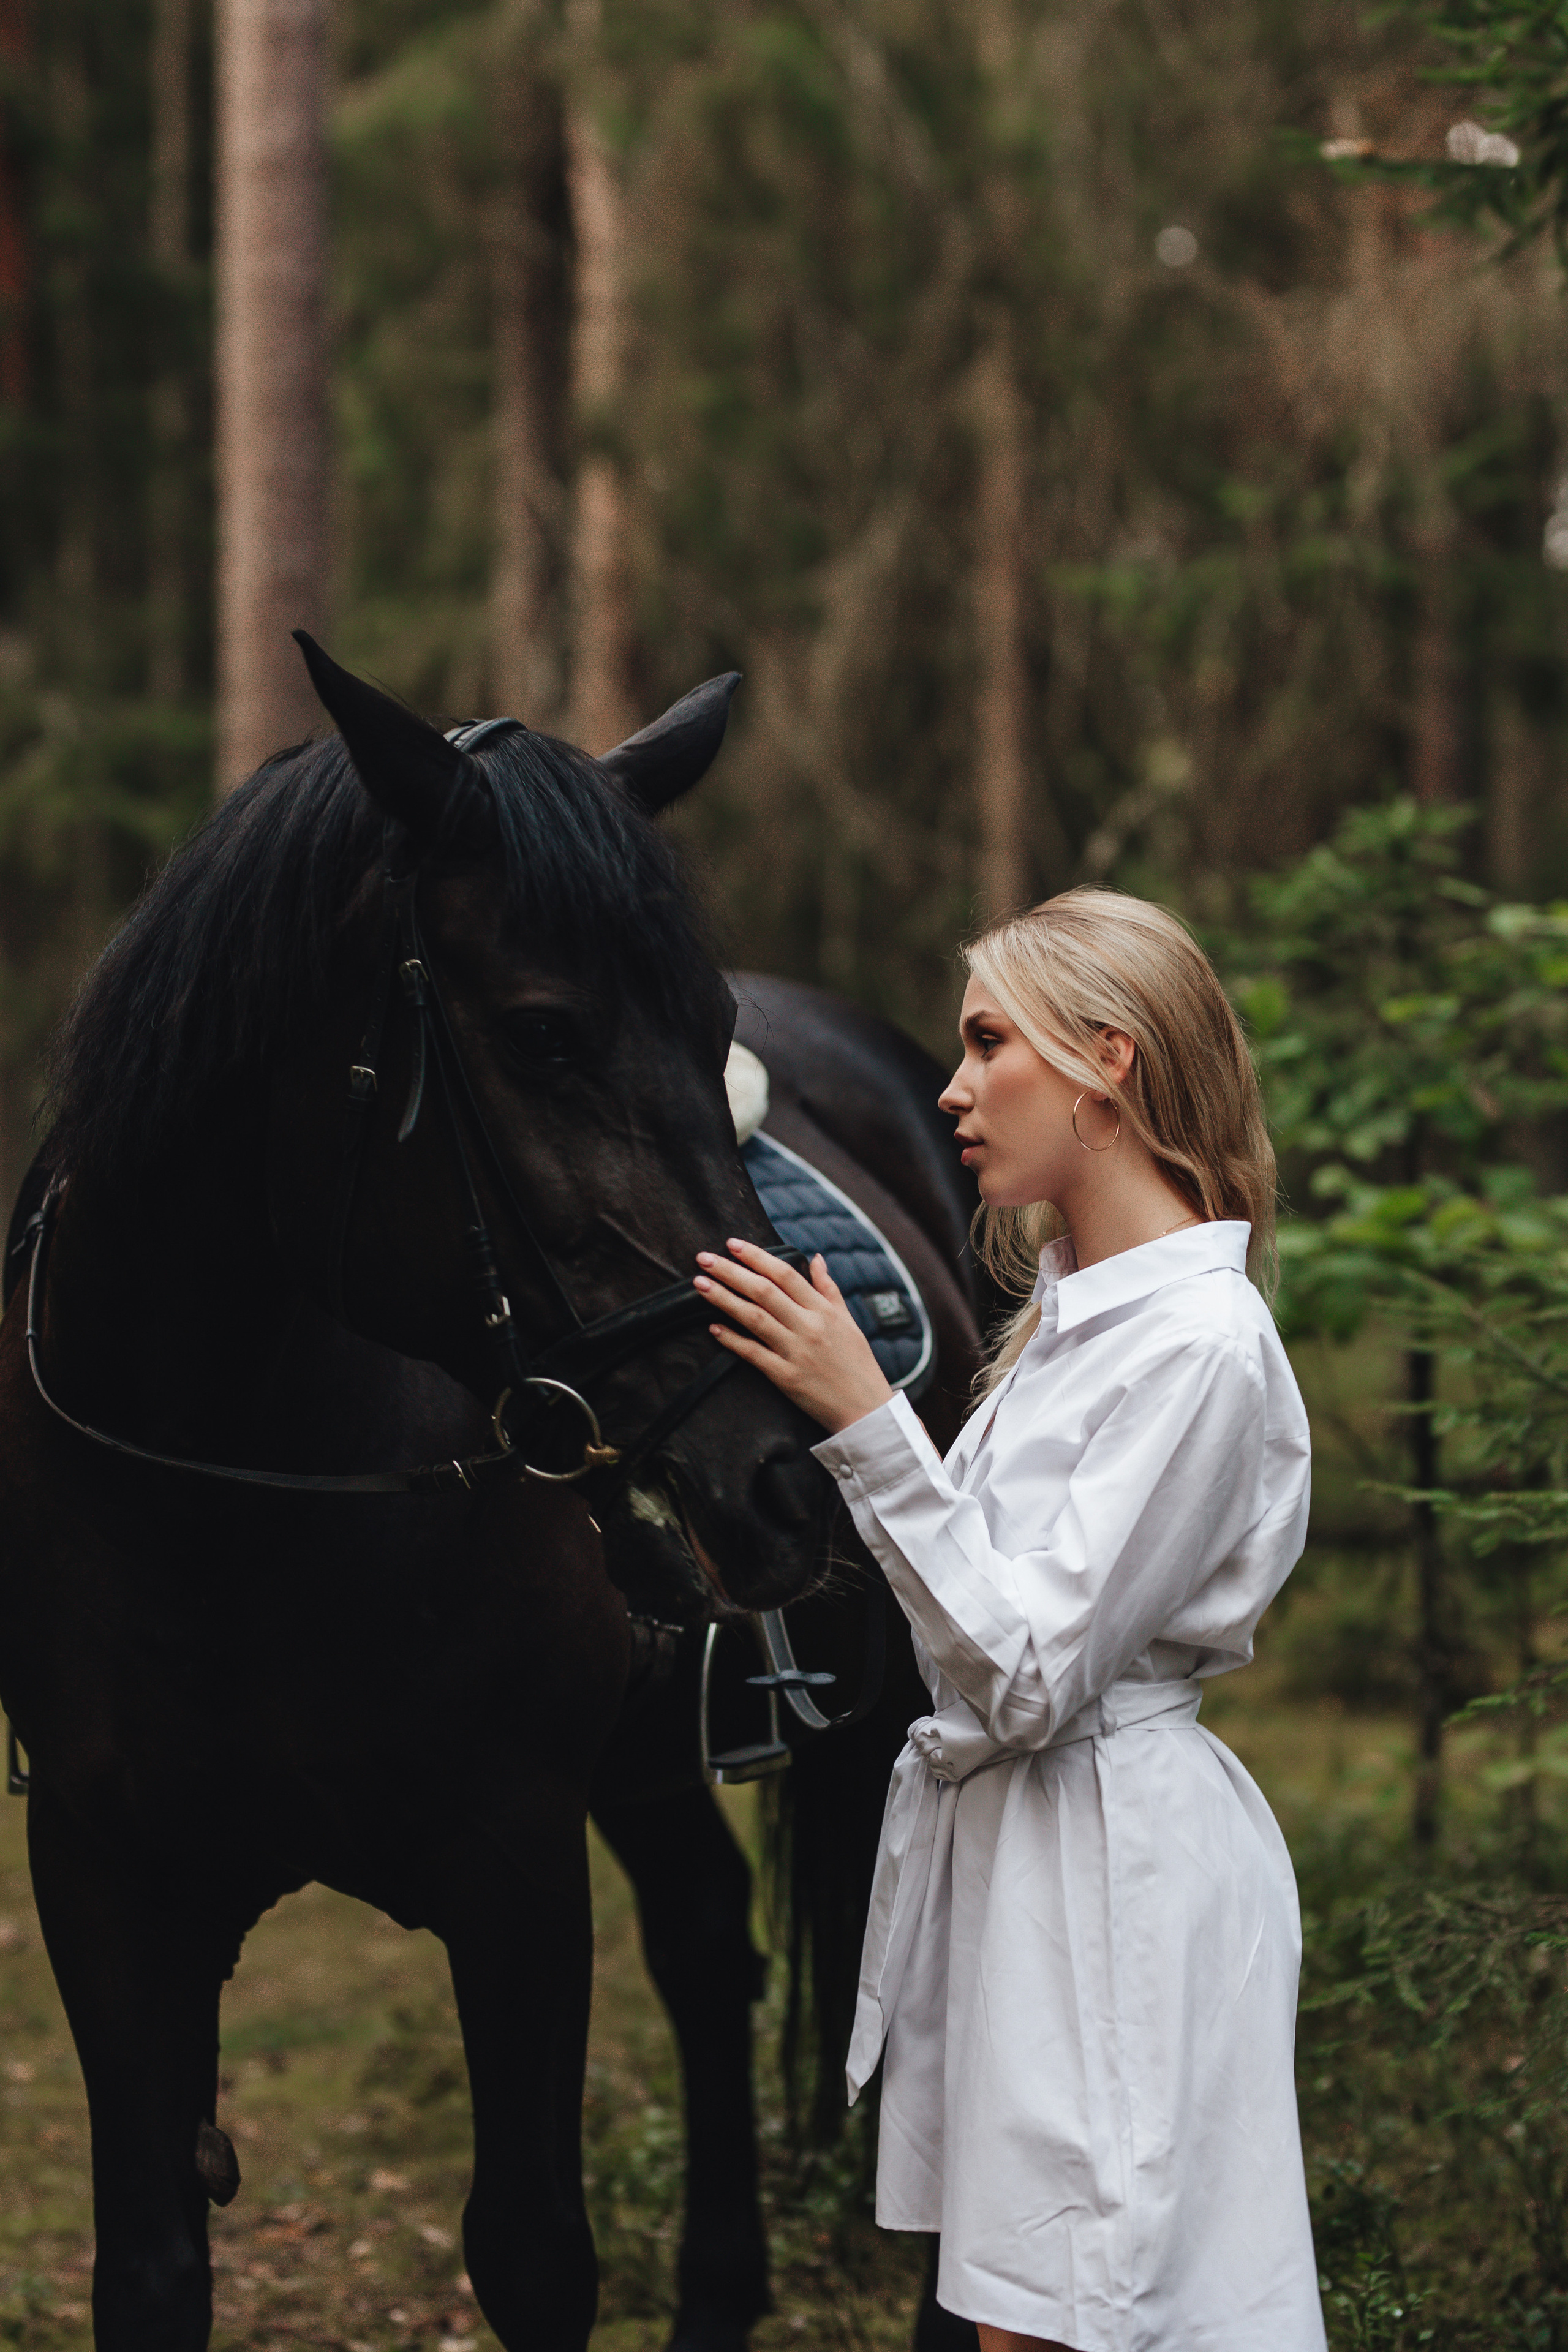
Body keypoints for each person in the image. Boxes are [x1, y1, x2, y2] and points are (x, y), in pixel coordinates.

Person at [693, 888, 1325, 2352]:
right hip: (1033, 1861)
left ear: (1107, 1061)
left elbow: (1030, 1675)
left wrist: (866, 1421)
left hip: (1112, 1877)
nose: (950, 1086)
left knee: (1081, 2313)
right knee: (1022, 2317)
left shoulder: (1199, 1346)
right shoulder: (1071, 1319)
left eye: (989, 1044)